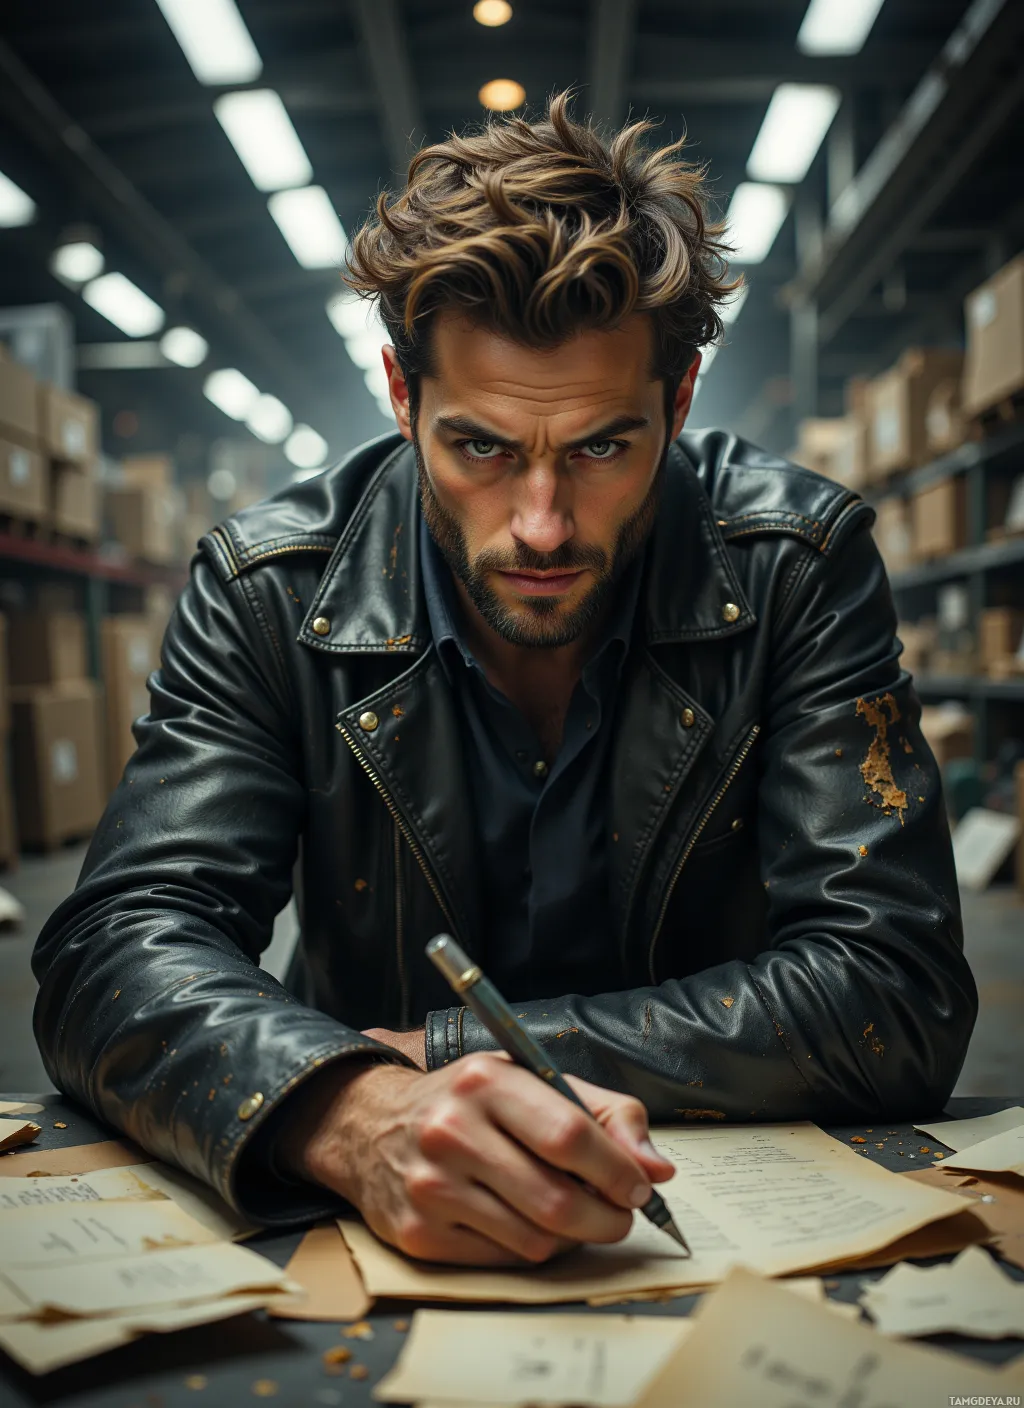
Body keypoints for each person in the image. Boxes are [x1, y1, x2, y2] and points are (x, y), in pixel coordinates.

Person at [34, 94, 976, 1268]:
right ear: (401, 396)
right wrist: (348, 1108)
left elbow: (894, 989)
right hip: (367, 1213)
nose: (539, 523)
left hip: (715, 1222)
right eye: (480, 446)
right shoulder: (269, 587)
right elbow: (116, 946)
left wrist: (434, 1052)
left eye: (600, 447)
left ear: (676, 405)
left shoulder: (794, 566)